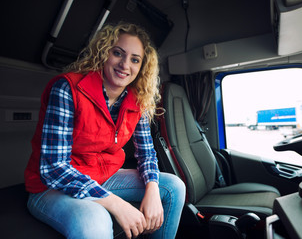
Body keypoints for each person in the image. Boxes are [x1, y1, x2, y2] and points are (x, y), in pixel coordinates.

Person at [24, 22, 186, 239]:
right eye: (118, 53)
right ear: (104, 53)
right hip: (50, 187)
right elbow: (54, 168)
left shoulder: (136, 100)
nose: (125, 64)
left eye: (135, 59)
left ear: (141, 68)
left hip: (101, 176)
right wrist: (115, 203)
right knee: (95, 220)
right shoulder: (67, 89)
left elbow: (147, 153)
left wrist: (153, 187)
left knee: (174, 187)